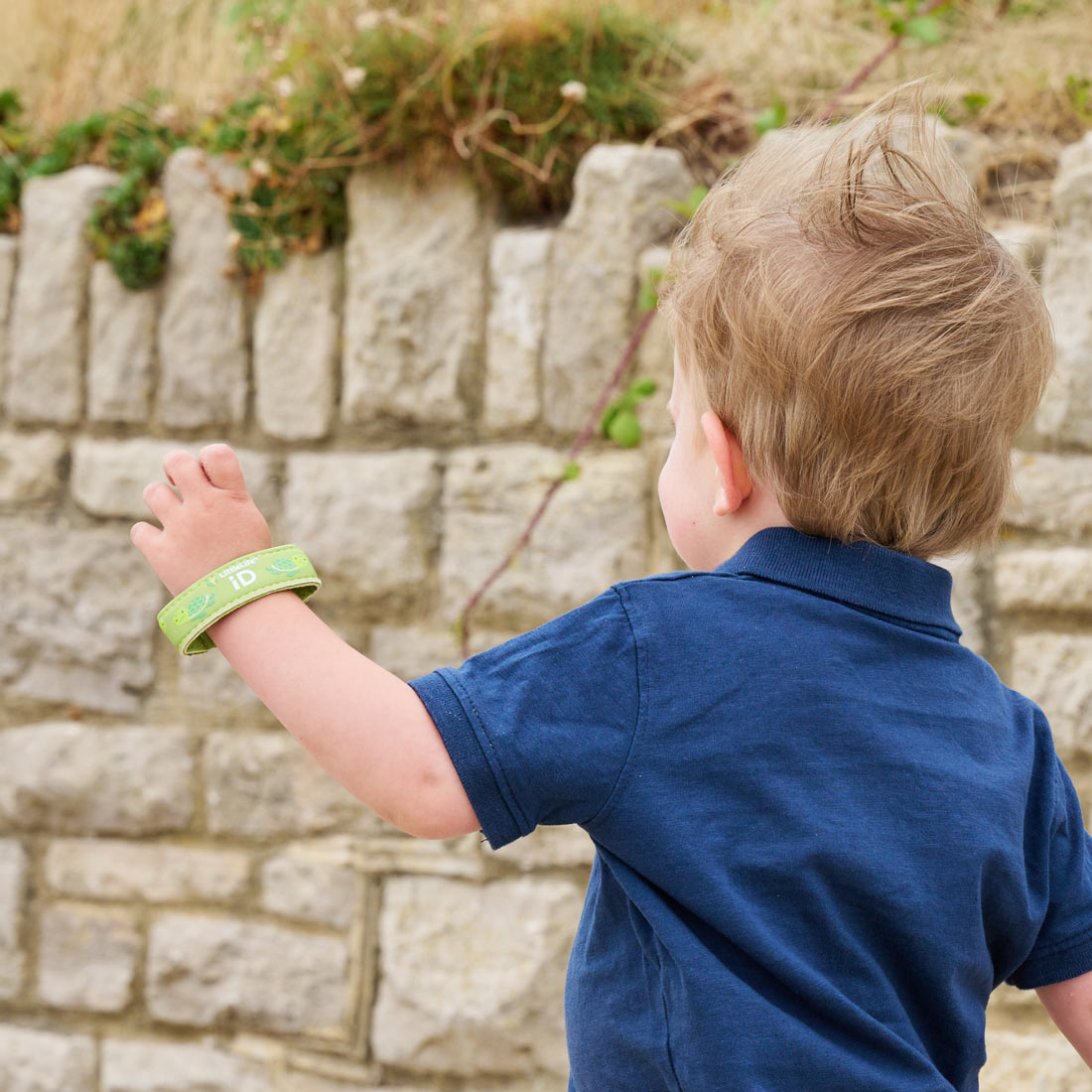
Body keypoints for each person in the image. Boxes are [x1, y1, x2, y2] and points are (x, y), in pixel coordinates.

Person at [131, 90, 1092, 1089]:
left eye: (677, 424)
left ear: (722, 462)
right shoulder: (1008, 740)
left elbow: (418, 773)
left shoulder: (658, 653)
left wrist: (238, 587)